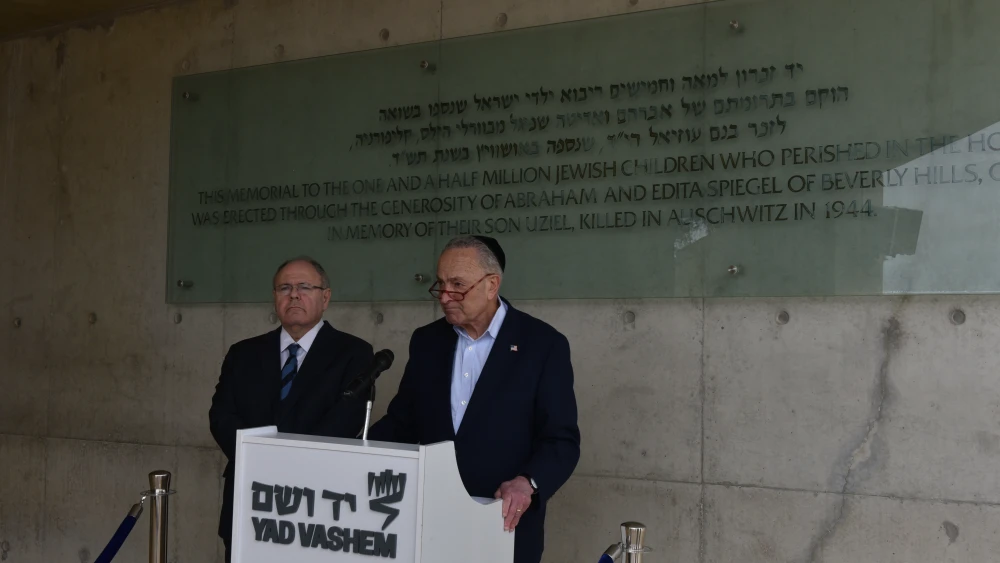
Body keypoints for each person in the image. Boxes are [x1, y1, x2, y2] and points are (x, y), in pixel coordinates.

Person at [369, 236, 580, 563]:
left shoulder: (543, 345)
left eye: (458, 284)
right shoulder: (427, 341)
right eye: (441, 284)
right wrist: (355, 450)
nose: (446, 296)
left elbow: (561, 439)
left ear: (492, 284)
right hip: (429, 523)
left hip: (502, 526)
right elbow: (402, 423)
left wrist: (528, 482)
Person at [209, 257, 374, 562]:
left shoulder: (354, 353)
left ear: (325, 297)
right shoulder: (243, 353)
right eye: (284, 287)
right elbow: (221, 417)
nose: (294, 295)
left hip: (318, 507)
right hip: (250, 500)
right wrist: (260, 461)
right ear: (274, 297)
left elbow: (343, 422)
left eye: (304, 287)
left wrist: (286, 464)